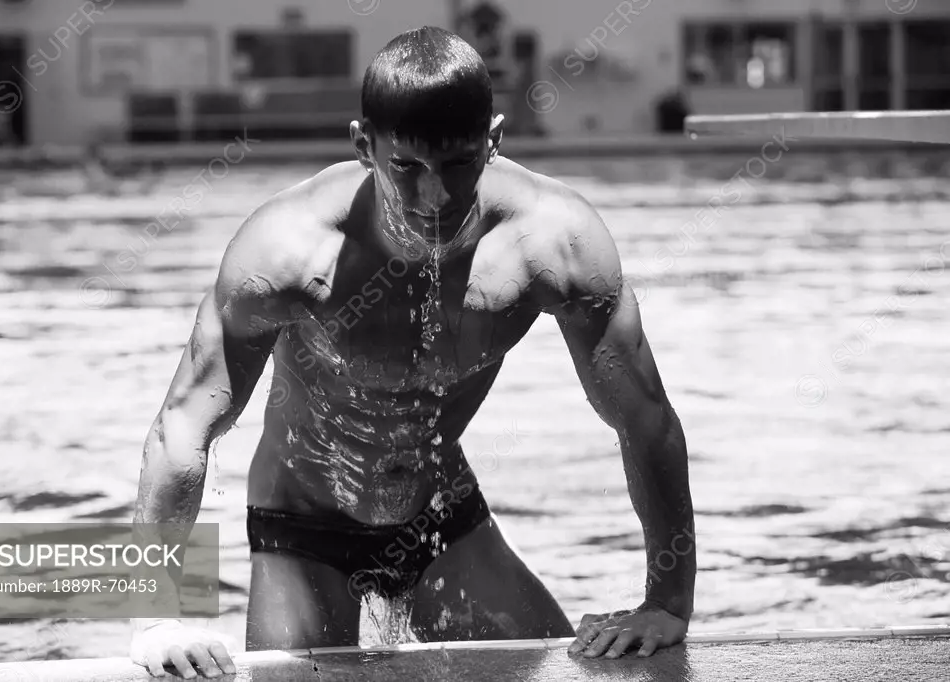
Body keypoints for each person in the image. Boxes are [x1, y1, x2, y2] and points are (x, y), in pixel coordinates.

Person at [129, 26, 696, 680]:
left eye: (459, 164)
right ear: (364, 146)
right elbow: (184, 424)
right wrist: (156, 616)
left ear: (494, 140)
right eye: (408, 168)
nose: (436, 198)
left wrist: (666, 603)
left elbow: (645, 418)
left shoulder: (554, 245)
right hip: (301, 528)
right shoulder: (286, 253)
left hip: (439, 521)